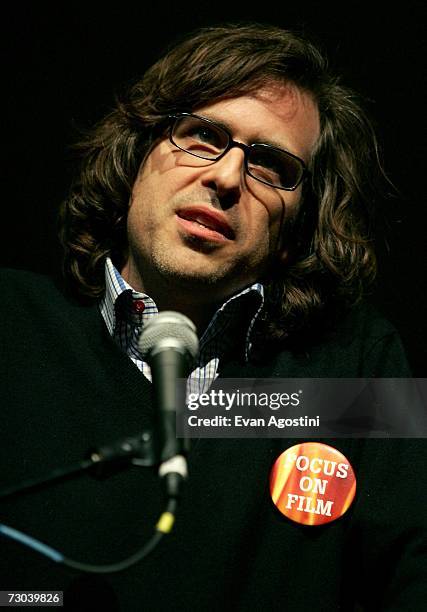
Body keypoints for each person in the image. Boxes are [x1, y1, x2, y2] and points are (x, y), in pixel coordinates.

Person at [0, 23, 425, 611]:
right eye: (202, 136)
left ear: (294, 230)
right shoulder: (10, 323)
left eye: (270, 165)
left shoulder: (360, 368)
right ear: (135, 159)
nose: (225, 177)